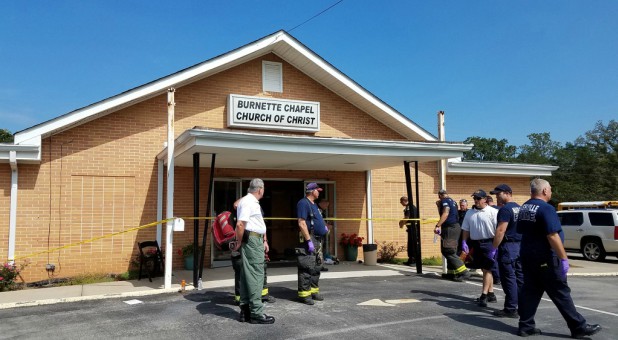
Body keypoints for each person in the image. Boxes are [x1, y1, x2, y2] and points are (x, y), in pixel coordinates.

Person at [516, 179, 601, 338]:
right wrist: (564, 259)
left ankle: (525, 326)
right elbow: (552, 235)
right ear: (544, 191)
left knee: (530, 292)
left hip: (528, 256)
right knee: (560, 292)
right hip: (546, 257)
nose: (551, 192)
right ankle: (578, 327)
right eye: (550, 190)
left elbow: (521, 230)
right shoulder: (546, 208)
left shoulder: (525, 207)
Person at [232, 178, 275, 324]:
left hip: (253, 239)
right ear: (260, 189)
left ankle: (245, 311)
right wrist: (238, 241)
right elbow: (240, 224)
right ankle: (256, 313)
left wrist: (264, 240)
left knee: (246, 275)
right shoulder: (250, 202)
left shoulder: (247, 201)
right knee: (257, 275)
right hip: (252, 241)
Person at [461, 189, 499, 307]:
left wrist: (495, 246)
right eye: (474, 198)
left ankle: (484, 295)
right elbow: (466, 229)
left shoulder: (493, 212)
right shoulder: (469, 213)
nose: (476, 200)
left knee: (487, 269)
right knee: (484, 269)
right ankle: (491, 293)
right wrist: (464, 241)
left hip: (489, 243)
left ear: (484, 199)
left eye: (478, 198)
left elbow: (499, 230)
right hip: (476, 243)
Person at [489, 184, 522, 318]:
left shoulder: (505, 210)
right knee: (520, 278)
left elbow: (501, 231)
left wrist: (494, 248)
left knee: (508, 278)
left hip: (508, 246)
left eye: (499, 193)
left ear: (508, 193)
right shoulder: (520, 208)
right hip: (520, 246)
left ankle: (510, 308)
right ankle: (522, 306)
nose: (497, 196)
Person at [296, 182, 329, 305]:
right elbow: (301, 223)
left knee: (317, 266)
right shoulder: (303, 203)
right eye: (317, 190)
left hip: (318, 239)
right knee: (307, 266)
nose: (319, 192)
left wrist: (324, 227)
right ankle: (304, 295)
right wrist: (308, 241)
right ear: (312, 191)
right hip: (310, 239)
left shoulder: (314, 205)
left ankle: (314, 291)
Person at [434, 190, 471, 282]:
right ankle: (452, 273)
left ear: (439, 196)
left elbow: (446, 213)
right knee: (448, 250)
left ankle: (464, 272)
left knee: (448, 251)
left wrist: (437, 225)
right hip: (453, 227)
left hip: (450, 228)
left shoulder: (444, 201)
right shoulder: (452, 201)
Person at [398, 196, 416, 265]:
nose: (400, 203)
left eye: (401, 201)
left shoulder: (409, 207)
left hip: (413, 228)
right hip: (411, 228)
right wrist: (401, 221)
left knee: (413, 244)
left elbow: (407, 217)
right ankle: (410, 260)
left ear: (404, 201)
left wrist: (402, 224)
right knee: (410, 244)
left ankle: (414, 260)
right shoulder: (409, 206)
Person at [317, 199, 332, 271]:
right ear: (321, 203)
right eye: (326, 205)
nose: (326, 207)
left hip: (321, 232)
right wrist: (326, 226)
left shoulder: (321, 211)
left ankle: (320, 265)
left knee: (321, 249)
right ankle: (319, 266)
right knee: (319, 249)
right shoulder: (318, 210)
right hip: (318, 233)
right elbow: (321, 220)